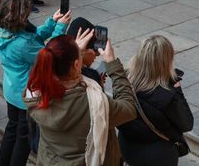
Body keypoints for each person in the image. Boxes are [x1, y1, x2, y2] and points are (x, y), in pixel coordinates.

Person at [24, 32, 136, 166]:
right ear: (76, 65)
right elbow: (129, 108)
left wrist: (71, 53)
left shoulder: (36, 91)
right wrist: (113, 64)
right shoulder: (94, 103)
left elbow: (60, 71)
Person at [0, 0, 70, 166]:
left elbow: (33, 36)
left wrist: (51, 23)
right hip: (26, 95)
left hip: (11, 89)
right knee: (23, 138)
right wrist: (61, 28)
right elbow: (48, 55)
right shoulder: (22, 45)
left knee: (11, 130)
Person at [117, 35, 193, 166]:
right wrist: (179, 92)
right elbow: (187, 124)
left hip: (126, 147)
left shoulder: (123, 81)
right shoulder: (169, 95)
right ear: (166, 61)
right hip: (157, 157)